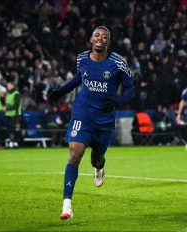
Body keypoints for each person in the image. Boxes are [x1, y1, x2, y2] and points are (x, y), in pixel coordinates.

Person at [47, 26, 135, 220]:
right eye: (96, 35)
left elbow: (131, 88)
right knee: (74, 154)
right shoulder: (82, 58)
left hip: (104, 119)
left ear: (108, 42)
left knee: (95, 158)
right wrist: (62, 91)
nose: (100, 39)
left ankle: (99, 166)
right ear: (90, 39)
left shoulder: (118, 63)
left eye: (104, 37)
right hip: (82, 115)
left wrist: (117, 102)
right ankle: (67, 206)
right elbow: (80, 77)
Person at [3, 82, 22, 149]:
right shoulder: (8, 94)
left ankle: (12, 142)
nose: (7, 87)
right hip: (8, 114)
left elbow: (16, 106)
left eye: (9, 85)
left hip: (15, 114)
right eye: (7, 85)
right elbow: (7, 103)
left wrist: (7, 108)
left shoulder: (16, 94)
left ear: (12, 86)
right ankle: (14, 142)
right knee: (11, 129)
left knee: (14, 129)